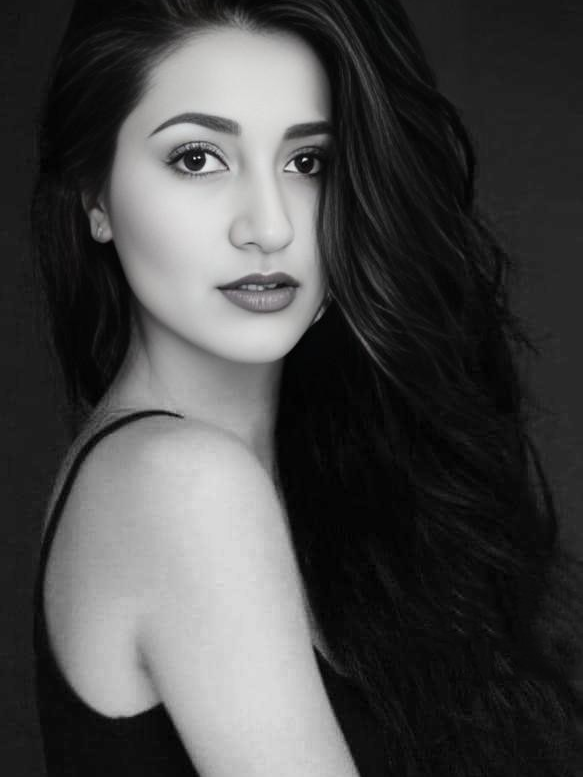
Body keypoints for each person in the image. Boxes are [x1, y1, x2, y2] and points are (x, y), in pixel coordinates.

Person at [30, 0, 583, 774]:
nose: (268, 226)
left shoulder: (326, 476)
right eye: (197, 158)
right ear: (96, 195)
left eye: (307, 163)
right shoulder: (177, 482)